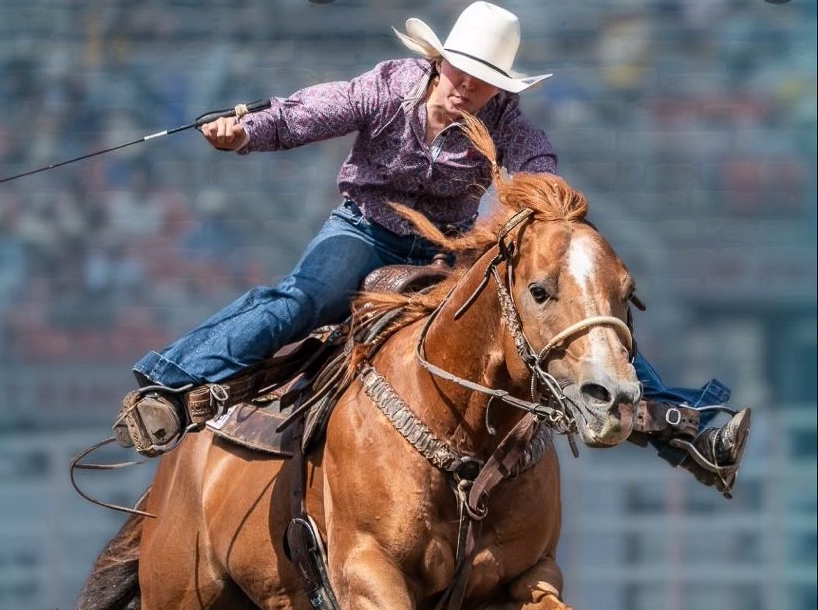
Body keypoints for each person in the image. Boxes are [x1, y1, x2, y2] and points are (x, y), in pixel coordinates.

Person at [112, 1, 750, 497]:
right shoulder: (387, 89)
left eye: (483, 81)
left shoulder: (514, 132)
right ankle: (172, 381)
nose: (466, 87)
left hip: (446, 253)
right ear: (439, 61)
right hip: (363, 230)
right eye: (461, 71)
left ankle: (685, 428)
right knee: (305, 301)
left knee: (573, 318)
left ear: (501, 89)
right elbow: (305, 113)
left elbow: (545, 181)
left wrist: (550, 209)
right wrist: (244, 131)